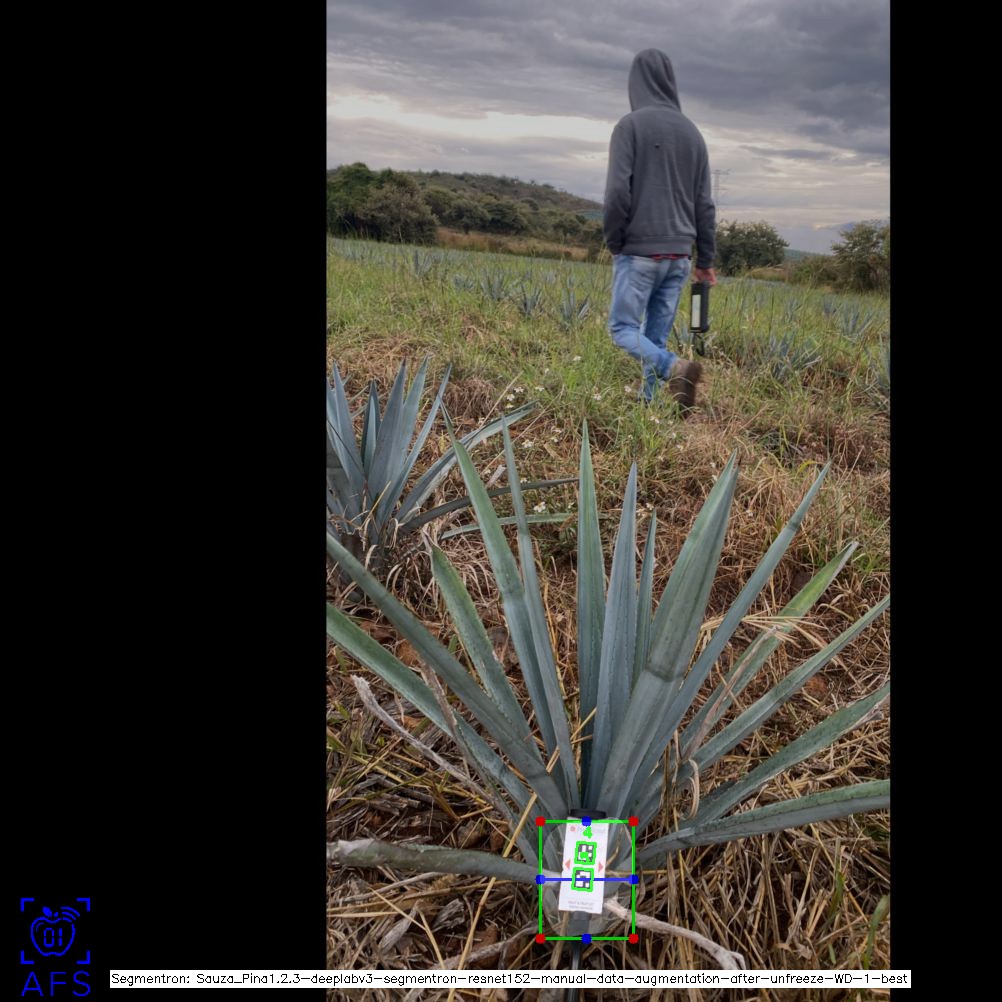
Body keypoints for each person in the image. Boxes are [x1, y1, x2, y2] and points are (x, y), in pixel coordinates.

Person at [603, 48, 717, 408]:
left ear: (635, 83)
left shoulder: (629, 126)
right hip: (680, 256)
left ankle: (673, 368)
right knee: (655, 335)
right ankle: (648, 403)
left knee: (622, 328)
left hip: (639, 251)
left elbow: (617, 192)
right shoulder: (694, 134)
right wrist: (705, 260)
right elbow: (704, 204)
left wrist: (615, 241)